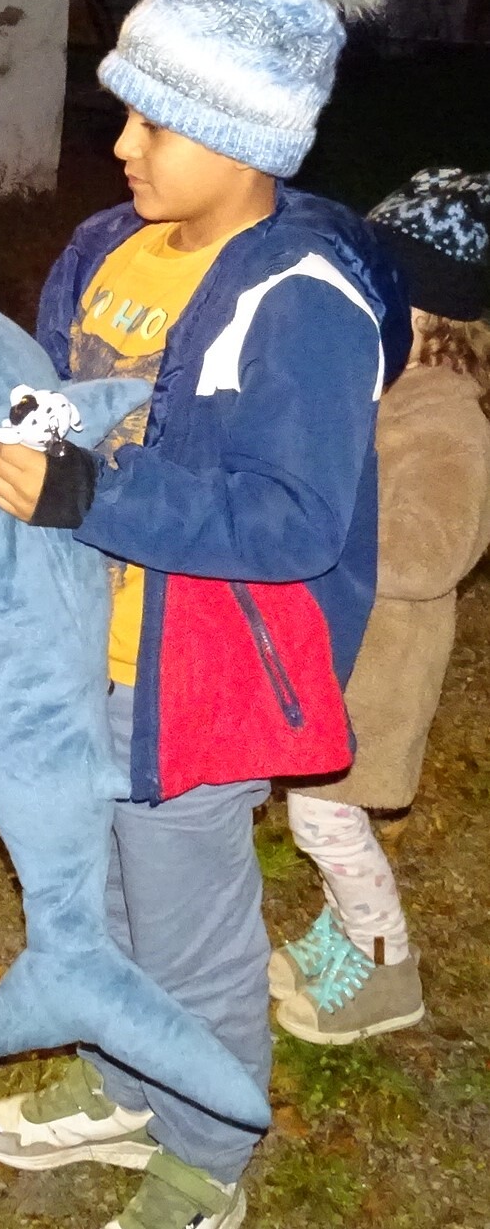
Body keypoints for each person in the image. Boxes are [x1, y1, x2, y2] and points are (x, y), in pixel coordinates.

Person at [0, 0, 407, 1229]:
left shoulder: (300, 302)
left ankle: (209, 1149)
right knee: (97, 891)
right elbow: (53, 394)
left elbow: (290, 521)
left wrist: (86, 495)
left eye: (151, 122)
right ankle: (125, 1080)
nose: (119, 146)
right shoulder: (107, 248)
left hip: (196, 683)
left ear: (239, 130)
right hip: (77, 654)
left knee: (191, 929)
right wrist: (9, 449)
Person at [274, 167, 490, 1044]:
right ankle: (343, 944)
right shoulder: (388, 383)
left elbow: (434, 550)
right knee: (319, 810)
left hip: (381, 672)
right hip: (343, 654)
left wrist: (324, 524)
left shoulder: (445, 416)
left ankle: (386, 967)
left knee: (327, 816)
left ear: (427, 309)